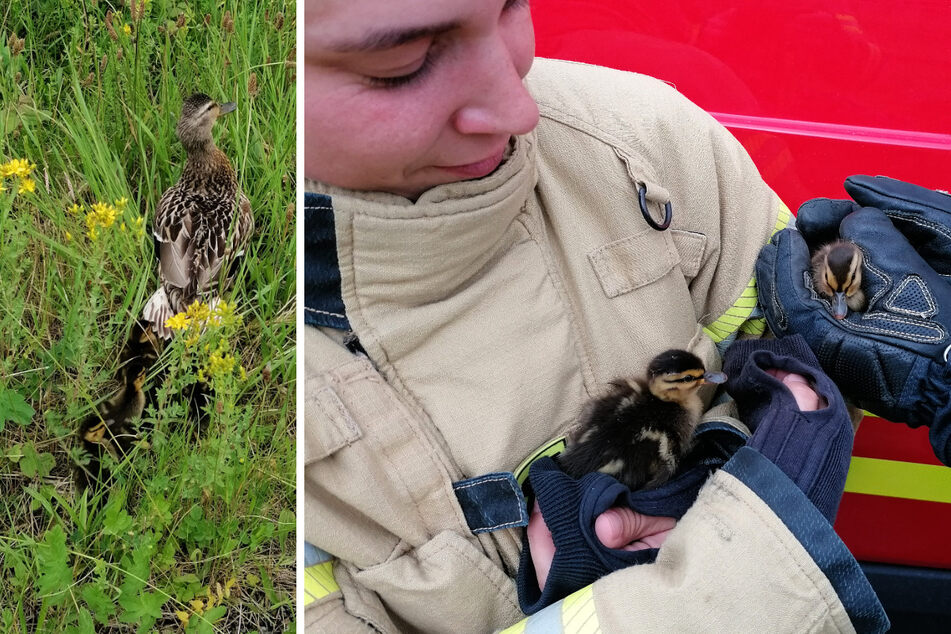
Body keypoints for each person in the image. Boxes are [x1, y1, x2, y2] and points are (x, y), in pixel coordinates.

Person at [302, 1, 913, 631]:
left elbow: (806, 353)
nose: (520, 108)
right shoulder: (247, 388)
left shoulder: (641, 144)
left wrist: (721, 456)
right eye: (403, 63)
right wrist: (752, 541)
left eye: (513, 5)